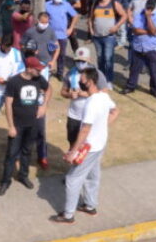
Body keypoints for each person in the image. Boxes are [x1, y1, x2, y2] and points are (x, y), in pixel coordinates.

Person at [51, 68, 119, 224]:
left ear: (91, 82)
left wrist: (72, 152)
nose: (79, 83)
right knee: (93, 175)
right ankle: (90, 205)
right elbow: (115, 111)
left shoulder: (91, 103)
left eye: (82, 81)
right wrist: (103, 126)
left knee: (72, 179)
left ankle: (68, 214)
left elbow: (85, 130)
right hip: (100, 144)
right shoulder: (104, 96)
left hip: (90, 147)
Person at [0, 56, 52, 196]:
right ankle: (5, 181)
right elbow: (8, 104)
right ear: (29, 68)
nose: (40, 71)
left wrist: (44, 106)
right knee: (11, 153)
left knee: (27, 151)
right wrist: (11, 126)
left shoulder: (38, 79)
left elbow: (49, 89)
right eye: (37, 69)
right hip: (17, 124)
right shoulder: (14, 81)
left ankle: (23, 175)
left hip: (32, 124)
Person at [61, 48, 109, 149]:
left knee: (87, 144)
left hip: (89, 115)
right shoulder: (70, 73)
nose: (80, 63)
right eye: (77, 61)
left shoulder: (96, 74)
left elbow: (104, 92)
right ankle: (73, 162)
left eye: (83, 61)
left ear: (88, 60)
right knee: (73, 143)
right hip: (74, 115)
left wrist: (86, 94)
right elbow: (63, 91)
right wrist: (70, 95)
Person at [120, 0, 156, 99]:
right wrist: (150, 32)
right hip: (138, 47)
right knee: (134, 69)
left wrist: (148, 18)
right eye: (147, 7)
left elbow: (154, 30)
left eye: (150, 8)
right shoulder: (138, 15)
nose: (148, 10)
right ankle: (130, 86)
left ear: (154, 8)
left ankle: (154, 90)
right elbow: (136, 30)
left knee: (154, 71)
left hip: (151, 48)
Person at [88, 0, 127, 88]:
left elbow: (124, 15)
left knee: (108, 58)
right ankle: (101, 79)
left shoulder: (114, 4)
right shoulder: (95, 3)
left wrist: (117, 26)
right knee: (100, 59)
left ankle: (109, 80)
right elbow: (90, 18)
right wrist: (91, 30)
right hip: (97, 37)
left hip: (109, 37)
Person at [45, 0, 79, 79]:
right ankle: (48, 71)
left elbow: (75, 15)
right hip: (51, 35)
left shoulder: (66, 5)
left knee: (62, 55)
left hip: (63, 35)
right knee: (51, 53)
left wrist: (71, 28)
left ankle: (60, 73)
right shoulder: (46, 5)